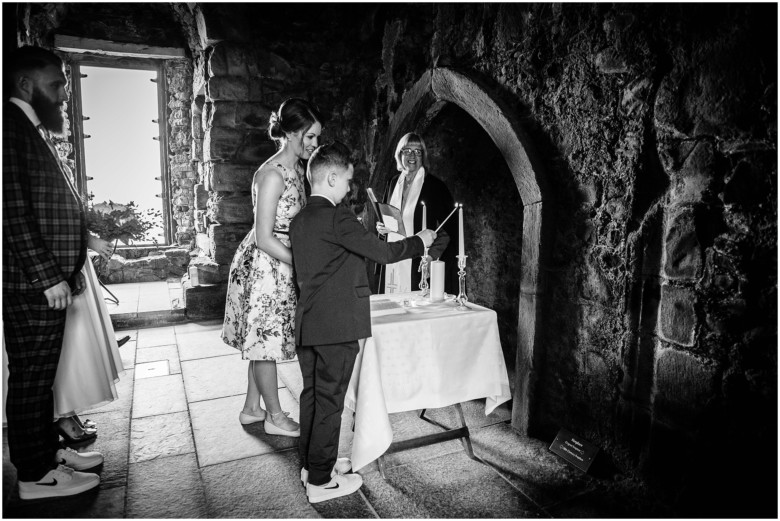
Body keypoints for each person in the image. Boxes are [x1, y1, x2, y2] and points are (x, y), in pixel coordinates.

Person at [290, 141, 436, 503]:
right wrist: (420, 240)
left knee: (312, 397)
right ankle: (320, 483)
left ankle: (312, 465)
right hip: (337, 326)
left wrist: (369, 235)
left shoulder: (300, 219)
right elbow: (385, 254)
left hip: (309, 323)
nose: (349, 188)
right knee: (330, 403)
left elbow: (340, 254)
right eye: (347, 181)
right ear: (332, 177)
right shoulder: (337, 216)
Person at [3, 45, 103, 500]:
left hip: (43, 277)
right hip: (30, 283)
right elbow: (11, 212)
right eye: (57, 83)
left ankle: (46, 453)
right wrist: (47, 275)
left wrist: (74, 261)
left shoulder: (28, 126)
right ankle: (35, 476)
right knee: (31, 377)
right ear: (26, 84)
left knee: (41, 377)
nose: (64, 93)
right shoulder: (9, 128)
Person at [221, 98, 322, 437]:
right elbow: (264, 237)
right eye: (310, 137)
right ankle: (275, 416)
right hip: (265, 265)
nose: (314, 144)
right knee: (264, 342)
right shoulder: (273, 174)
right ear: (291, 133)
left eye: (316, 138)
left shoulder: (297, 170)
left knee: (259, 341)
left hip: (280, 262)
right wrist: (302, 262)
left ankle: (252, 408)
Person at [53, 235, 124, 445]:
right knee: (68, 341)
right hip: (58, 258)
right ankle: (59, 414)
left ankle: (66, 409)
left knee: (74, 339)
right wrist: (90, 239)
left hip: (71, 255)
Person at [377, 132, 456, 294]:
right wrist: (382, 228)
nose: (412, 155)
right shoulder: (393, 183)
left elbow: (448, 231)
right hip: (392, 258)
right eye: (407, 151)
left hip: (418, 262)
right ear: (400, 154)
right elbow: (389, 219)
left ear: (423, 156)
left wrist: (430, 257)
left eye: (418, 151)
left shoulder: (435, 187)